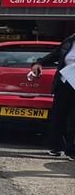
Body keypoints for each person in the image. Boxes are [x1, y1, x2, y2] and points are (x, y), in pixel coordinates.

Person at [32, 31, 75, 160]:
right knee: (58, 114)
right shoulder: (70, 40)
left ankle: (71, 150)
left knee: (73, 118)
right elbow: (55, 54)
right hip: (64, 81)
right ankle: (56, 146)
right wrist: (39, 63)